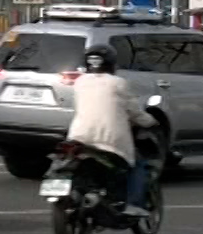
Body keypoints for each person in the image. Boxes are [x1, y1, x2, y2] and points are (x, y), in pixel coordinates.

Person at [64, 43, 157, 218]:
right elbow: (135, 113)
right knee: (138, 165)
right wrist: (151, 121)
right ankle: (133, 204)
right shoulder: (119, 83)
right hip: (110, 141)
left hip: (78, 138)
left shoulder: (80, 82)